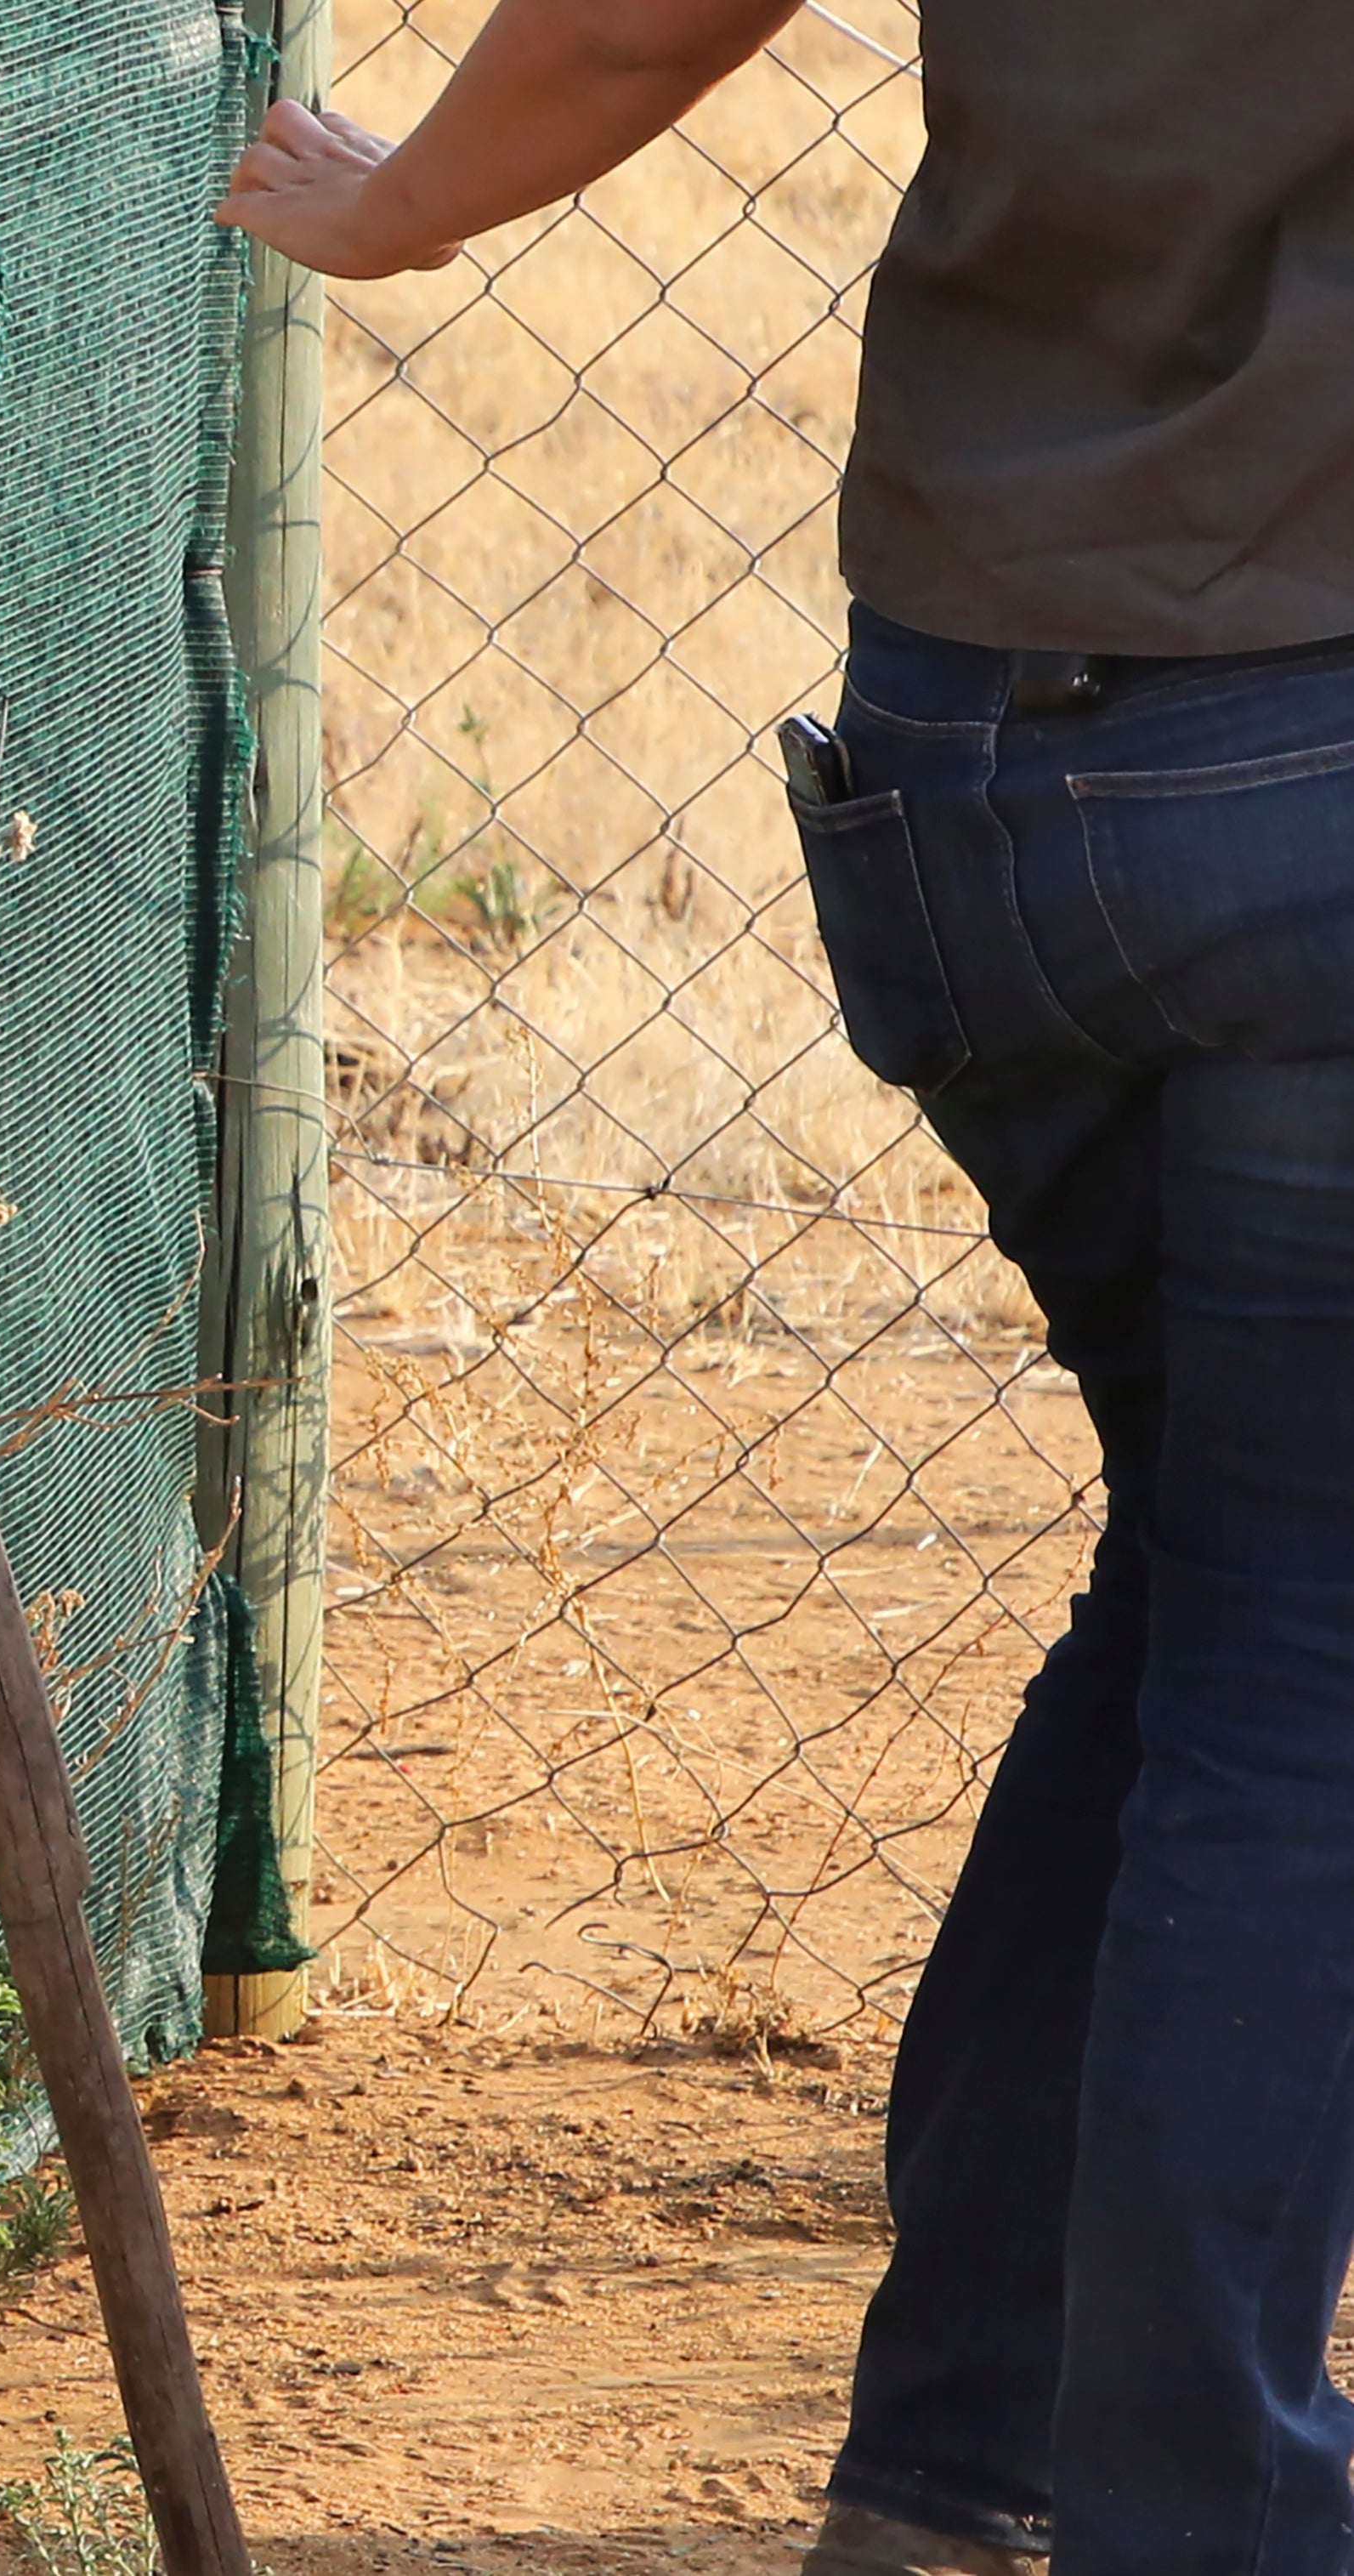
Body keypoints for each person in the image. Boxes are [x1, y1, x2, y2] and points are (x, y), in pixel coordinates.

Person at [215, 6, 1354, 2570]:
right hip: (1308, 790)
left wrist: (407, 206)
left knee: (1214, 1583)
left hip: (960, 776)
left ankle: (958, 2469)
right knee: (1306, 1674)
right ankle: (1203, 2520)